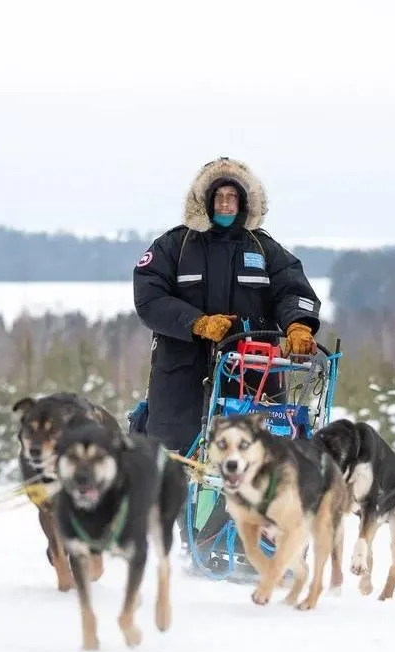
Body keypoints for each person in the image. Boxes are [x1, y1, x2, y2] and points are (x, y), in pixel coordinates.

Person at [131, 156, 322, 552]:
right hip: (182, 377)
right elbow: (148, 297)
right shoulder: (174, 246)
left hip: (251, 377)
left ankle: (245, 544)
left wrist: (298, 325)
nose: (225, 204)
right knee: (185, 462)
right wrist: (197, 323)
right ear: (204, 200)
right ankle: (195, 541)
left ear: (245, 202)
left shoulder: (264, 249)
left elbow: (292, 289)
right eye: (218, 197)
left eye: (233, 197)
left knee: (254, 458)